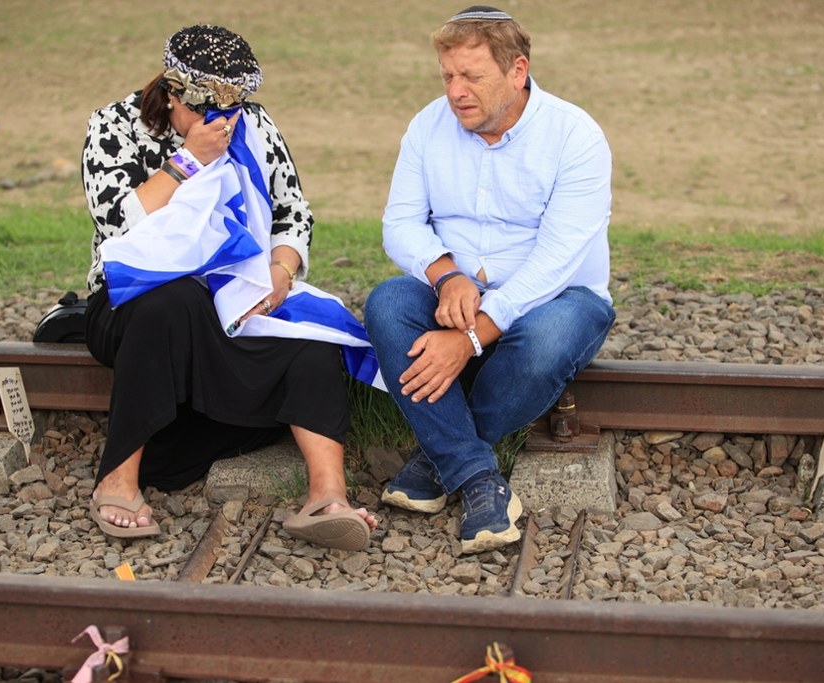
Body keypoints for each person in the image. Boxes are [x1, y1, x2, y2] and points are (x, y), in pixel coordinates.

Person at [81, 24, 376, 550]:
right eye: (208, 111)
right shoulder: (114, 125)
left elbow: (293, 214)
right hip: (135, 298)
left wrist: (280, 274)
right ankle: (117, 480)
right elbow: (117, 226)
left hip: (234, 294)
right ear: (172, 94)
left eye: (233, 109)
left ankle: (327, 499)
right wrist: (188, 160)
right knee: (172, 300)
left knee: (311, 340)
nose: (224, 123)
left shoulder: (254, 124)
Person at [364, 6, 616, 554]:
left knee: (546, 340)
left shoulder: (575, 135)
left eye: (472, 76)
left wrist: (472, 337)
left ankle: (436, 463)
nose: (456, 92)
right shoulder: (428, 125)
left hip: (559, 297)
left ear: (517, 70)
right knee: (387, 303)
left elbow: (557, 259)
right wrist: (446, 275)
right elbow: (400, 225)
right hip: (454, 292)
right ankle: (478, 476)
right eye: (448, 76)